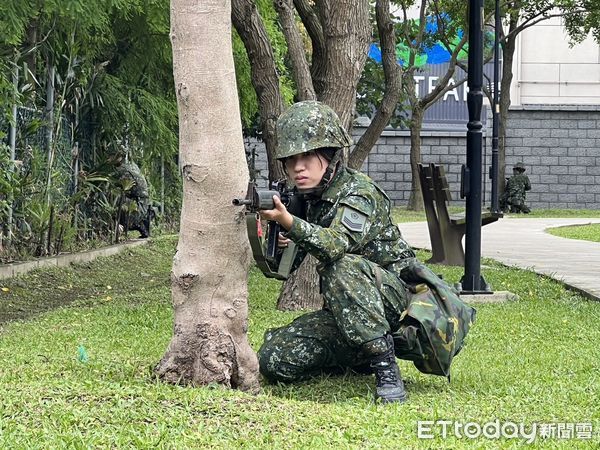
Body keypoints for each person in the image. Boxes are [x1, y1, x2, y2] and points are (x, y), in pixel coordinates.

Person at [256, 101, 475, 403]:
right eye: (291, 159)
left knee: (340, 266)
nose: (298, 167)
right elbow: (285, 271)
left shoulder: (359, 193)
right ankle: (358, 354)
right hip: (351, 312)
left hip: (401, 304)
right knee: (274, 358)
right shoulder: (308, 200)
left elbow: (334, 247)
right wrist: (282, 238)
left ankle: (386, 368)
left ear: (331, 155)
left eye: (307, 155)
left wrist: (289, 222)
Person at [115, 159, 152, 238]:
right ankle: (141, 227)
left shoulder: (123, 169)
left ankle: (138, 226)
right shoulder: (132, 165)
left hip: (138, 201)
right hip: (142, 201)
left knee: (119, 203)